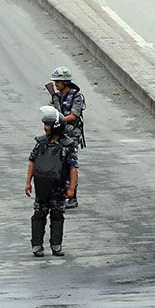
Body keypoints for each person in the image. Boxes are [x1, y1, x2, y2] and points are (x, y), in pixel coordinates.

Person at [26, 106, 78, 257]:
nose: (45, 128)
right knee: (39, 214)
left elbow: (73, 168)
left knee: (57, 214)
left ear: (55, 126)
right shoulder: (41, 142)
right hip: (42, 186)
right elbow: (32, 162)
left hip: (59, 187)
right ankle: (37, 245)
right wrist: (28, 182)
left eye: (47, 125)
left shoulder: (68, 145)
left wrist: (72, 188)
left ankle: (56, 245)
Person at [45, 67, 86, 208]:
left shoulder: (77, 97)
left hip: (71, 135)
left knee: (70, 164)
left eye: (58, 82)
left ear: (65, 82)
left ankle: (72, 196)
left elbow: (74, 116)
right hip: (58, 134)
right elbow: (50, 112)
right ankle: (59, 195)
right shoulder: (56, 97)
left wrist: (59, 119)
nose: (56, 85)